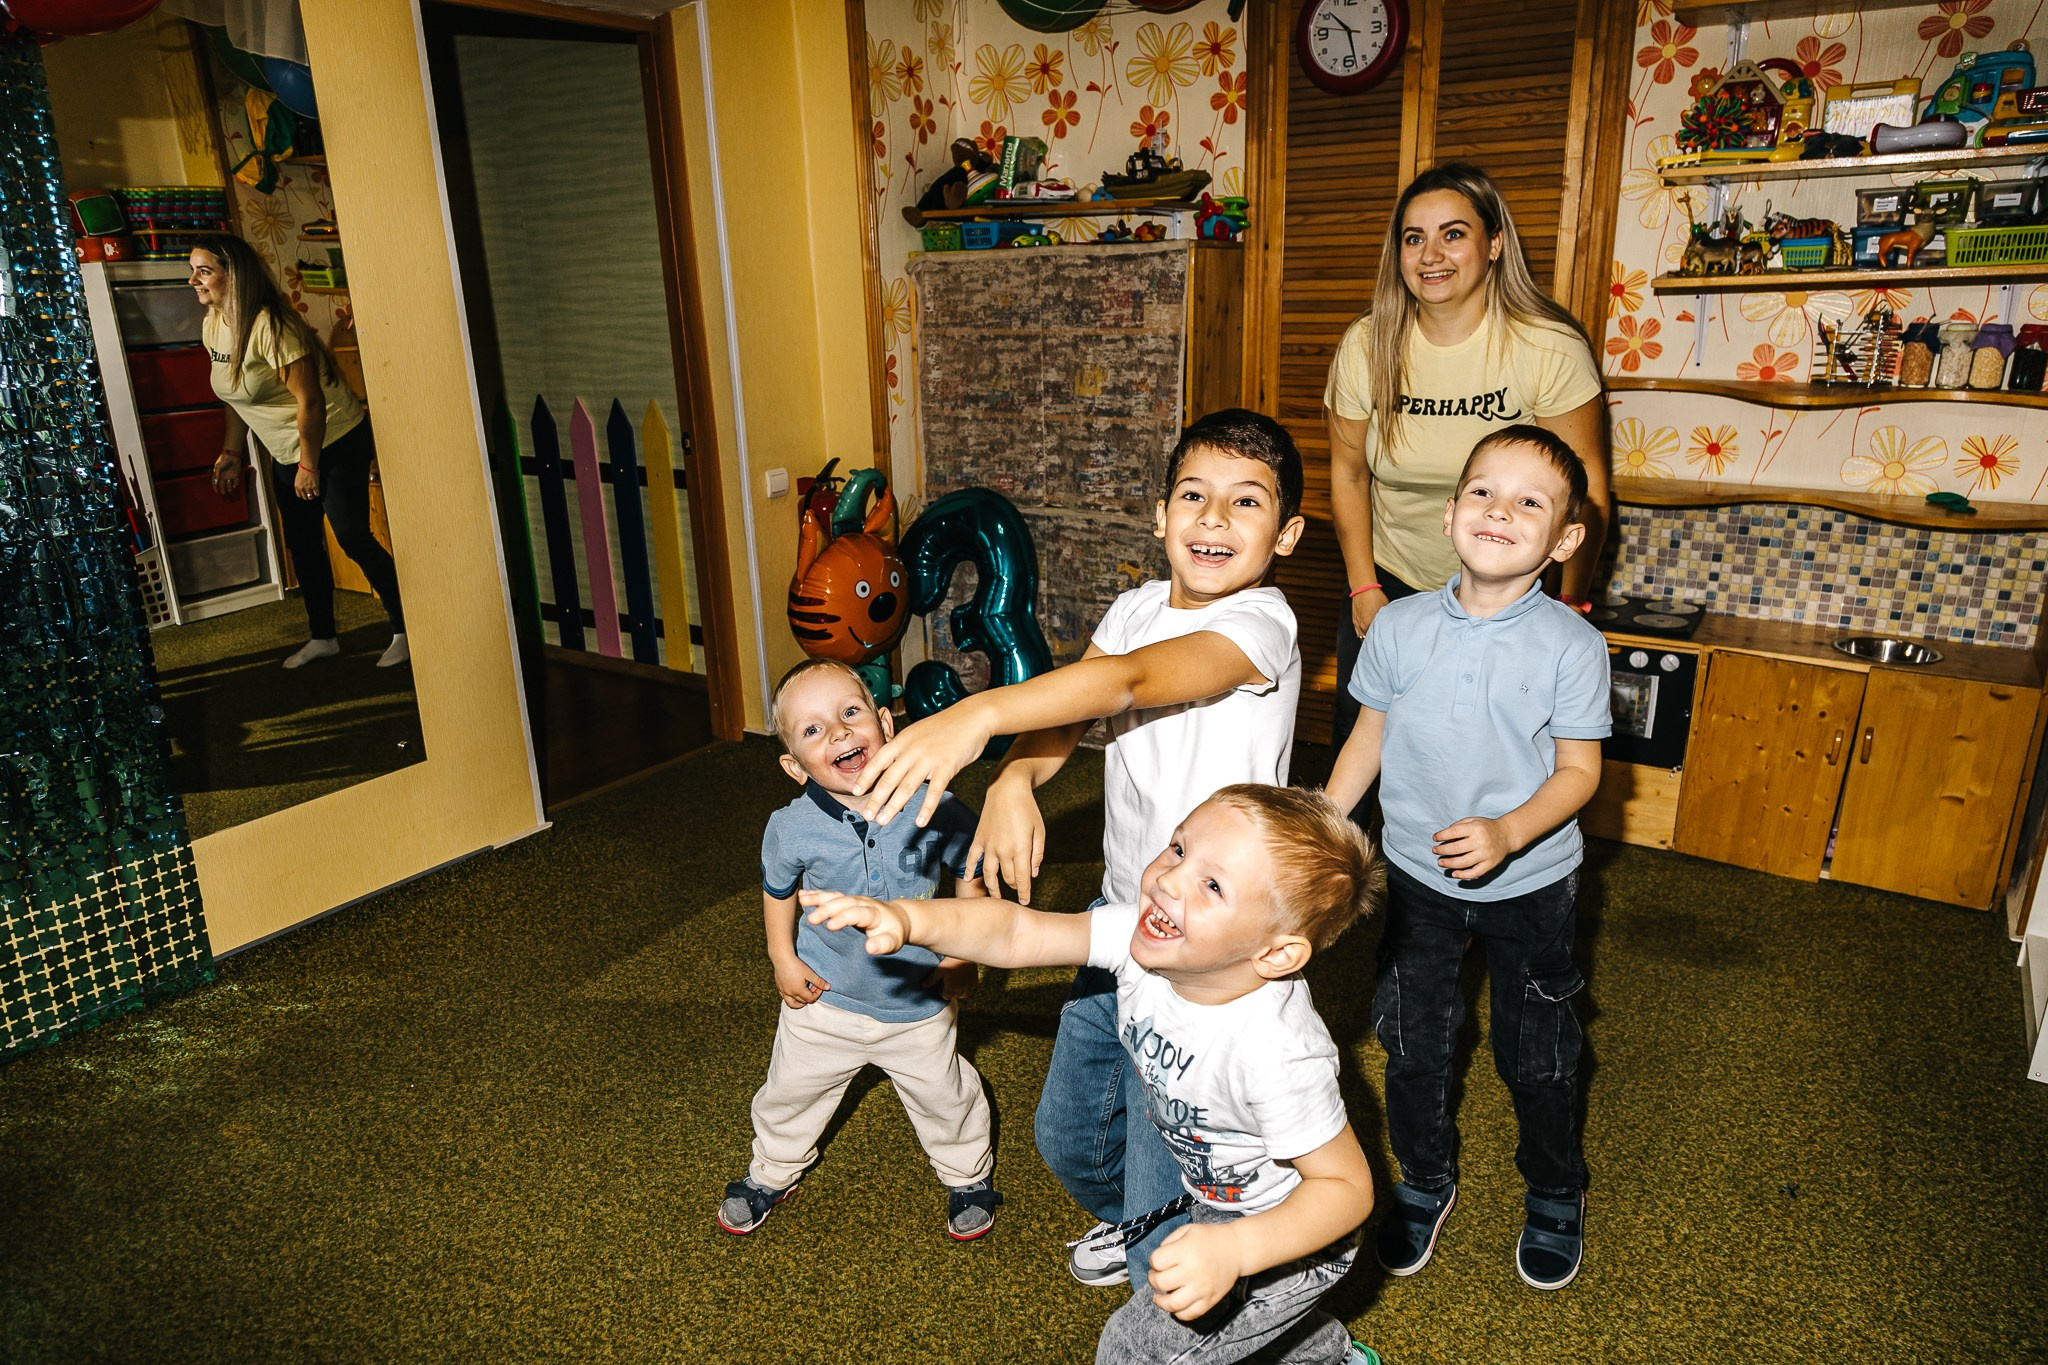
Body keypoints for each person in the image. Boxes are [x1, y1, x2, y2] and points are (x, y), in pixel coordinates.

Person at [849, 410, 1306, 1293]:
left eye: (1245, 503)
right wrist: (1018, 779)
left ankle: (1213, 1247)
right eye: (1194, 496)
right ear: (1161, 512)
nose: (1213, 519)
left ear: (1284, 533)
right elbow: (1076, 707)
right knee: (1067, 1135)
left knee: (1166, 1185)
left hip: (1210, 953)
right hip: (1119, 921)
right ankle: (1154, 1215)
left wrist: (976, 716)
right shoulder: (1137, 605)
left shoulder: (1262, 627)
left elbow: (1127, 681)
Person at [804, 785, 1383, 1365]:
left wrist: (1236, 1248)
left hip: (1292, 1235)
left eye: (1213, 886)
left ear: (1276, 955)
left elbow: (1346, 1191)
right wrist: (908, 918)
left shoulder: (1278, 1053)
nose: (1169, 880)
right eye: (1179, 849)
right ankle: (1321, 1352)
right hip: (1216, 1199)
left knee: (1134, 1351)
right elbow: (1015, 932)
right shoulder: (1143, 942)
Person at [1325, 425, 1611, 1292]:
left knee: (1539, 1051)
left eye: (1531, 501)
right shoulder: (1399, 626)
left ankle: (1556, 1188)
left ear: (1562, 541)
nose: (1501, 511)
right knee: (1414, 1040)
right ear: (1450, 514)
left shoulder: (1571, 643)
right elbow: (1367, 736)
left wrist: (1508, 831)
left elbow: (1581, 772)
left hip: (1531, 880)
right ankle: (1423, 1176)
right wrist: (1322, 825)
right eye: (1484, 491)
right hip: (1414, 876)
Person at [1324, 162, 1607, 761]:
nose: (1432, 254)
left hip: (1513, 590)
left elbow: (1589, 494)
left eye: (1453, 234)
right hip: (1392, 583)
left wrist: (1569, 606)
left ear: (1495, 243)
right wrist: (1363, 588)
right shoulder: (1365, 345)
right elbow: (1349, 473)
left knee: (1487, 757)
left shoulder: (1547, 347)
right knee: (1360, 748)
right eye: (1413, 237)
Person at [717, 658, 1000, 1241]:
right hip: (824, 999)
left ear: (887, 724)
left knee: (944, 1097)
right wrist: (782, 958)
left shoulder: (933, 802)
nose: (840, 732)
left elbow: (970, 862)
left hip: (917, 1002)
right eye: (814, 729)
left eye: (850, 713)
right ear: (795, 767)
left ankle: (966, 1174)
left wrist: (963, 953)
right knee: (790, 1092)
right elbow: (778, 891)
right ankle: (773, 1170)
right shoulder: (790, 827)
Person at [191, 235, 406, 670]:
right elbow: (235, 395)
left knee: (352, 537)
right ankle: (324, 637)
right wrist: (232, 451)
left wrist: (309, 465)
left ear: (234, 274)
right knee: (303, 543)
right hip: (285, 449)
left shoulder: (272, 326)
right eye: (192, 270)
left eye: (204, 270)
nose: (193, 280)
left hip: (333, 439)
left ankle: (407, 627)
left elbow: (309, 401)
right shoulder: (213, 322)